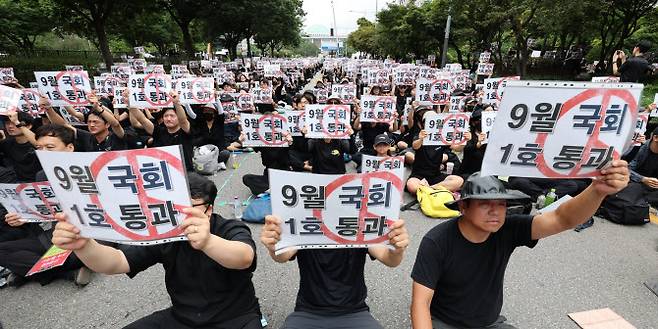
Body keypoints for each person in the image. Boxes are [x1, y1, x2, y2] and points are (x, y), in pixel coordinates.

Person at [410, 162, 630, 329]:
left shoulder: (507, 229)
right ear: (463, 207)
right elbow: (420, 302)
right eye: (484, 204)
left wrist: (597, 190)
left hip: (489, 323)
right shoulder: (437, 241)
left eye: (501, 204)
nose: (495, 211)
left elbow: (563, 219)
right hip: (447, 323)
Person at [51, 173, 263, 329]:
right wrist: (84, 245)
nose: (180, 215)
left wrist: (207, 241)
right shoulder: (165, 232)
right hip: (184, 317)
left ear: (210, 209)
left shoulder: (229, 228)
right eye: (174, 207)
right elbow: (117, 262)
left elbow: (244, 257)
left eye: (189, 208)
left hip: (235, 317)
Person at [260, 214, 409, 329]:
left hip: (354, 311)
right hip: (308, 311)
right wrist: (274, 247)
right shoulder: (305, 220)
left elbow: (389, 259)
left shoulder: (359, 220)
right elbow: (283, 256)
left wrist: (396, 250)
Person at [0, 124, 91, 287]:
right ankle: (64, 273)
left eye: (50, 147)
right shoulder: (41, 175)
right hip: (57, 236)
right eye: (39, 148)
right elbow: (42, 211)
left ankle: (32, 272)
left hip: (90, 236)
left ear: (69, 147)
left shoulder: (89, 168)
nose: (43, 153)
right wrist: (24, 217)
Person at [128, 91, 195, 170]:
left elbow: (183, 121)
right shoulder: (159, 131)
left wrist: (176, 103)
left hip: (185, 172)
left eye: (172, 116)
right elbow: (142, 120)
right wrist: (130, 104)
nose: (168, 119)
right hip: (163, 172)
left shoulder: (185, 131)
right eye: (166, 116)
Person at [0, 110, 41, 182]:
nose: (10, 126)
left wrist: (17, 122)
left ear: (29, 126)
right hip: (16, 184)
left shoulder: (40, 142)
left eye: (14, 123)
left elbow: (39, 144)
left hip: (40, 182)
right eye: (7, 123)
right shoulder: (6, 144)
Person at [628, 126, 658, 208]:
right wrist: (642, 179)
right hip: (635, 183)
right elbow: (626, 170)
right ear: (655, 138)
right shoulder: (639, 148)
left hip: (652, 189)